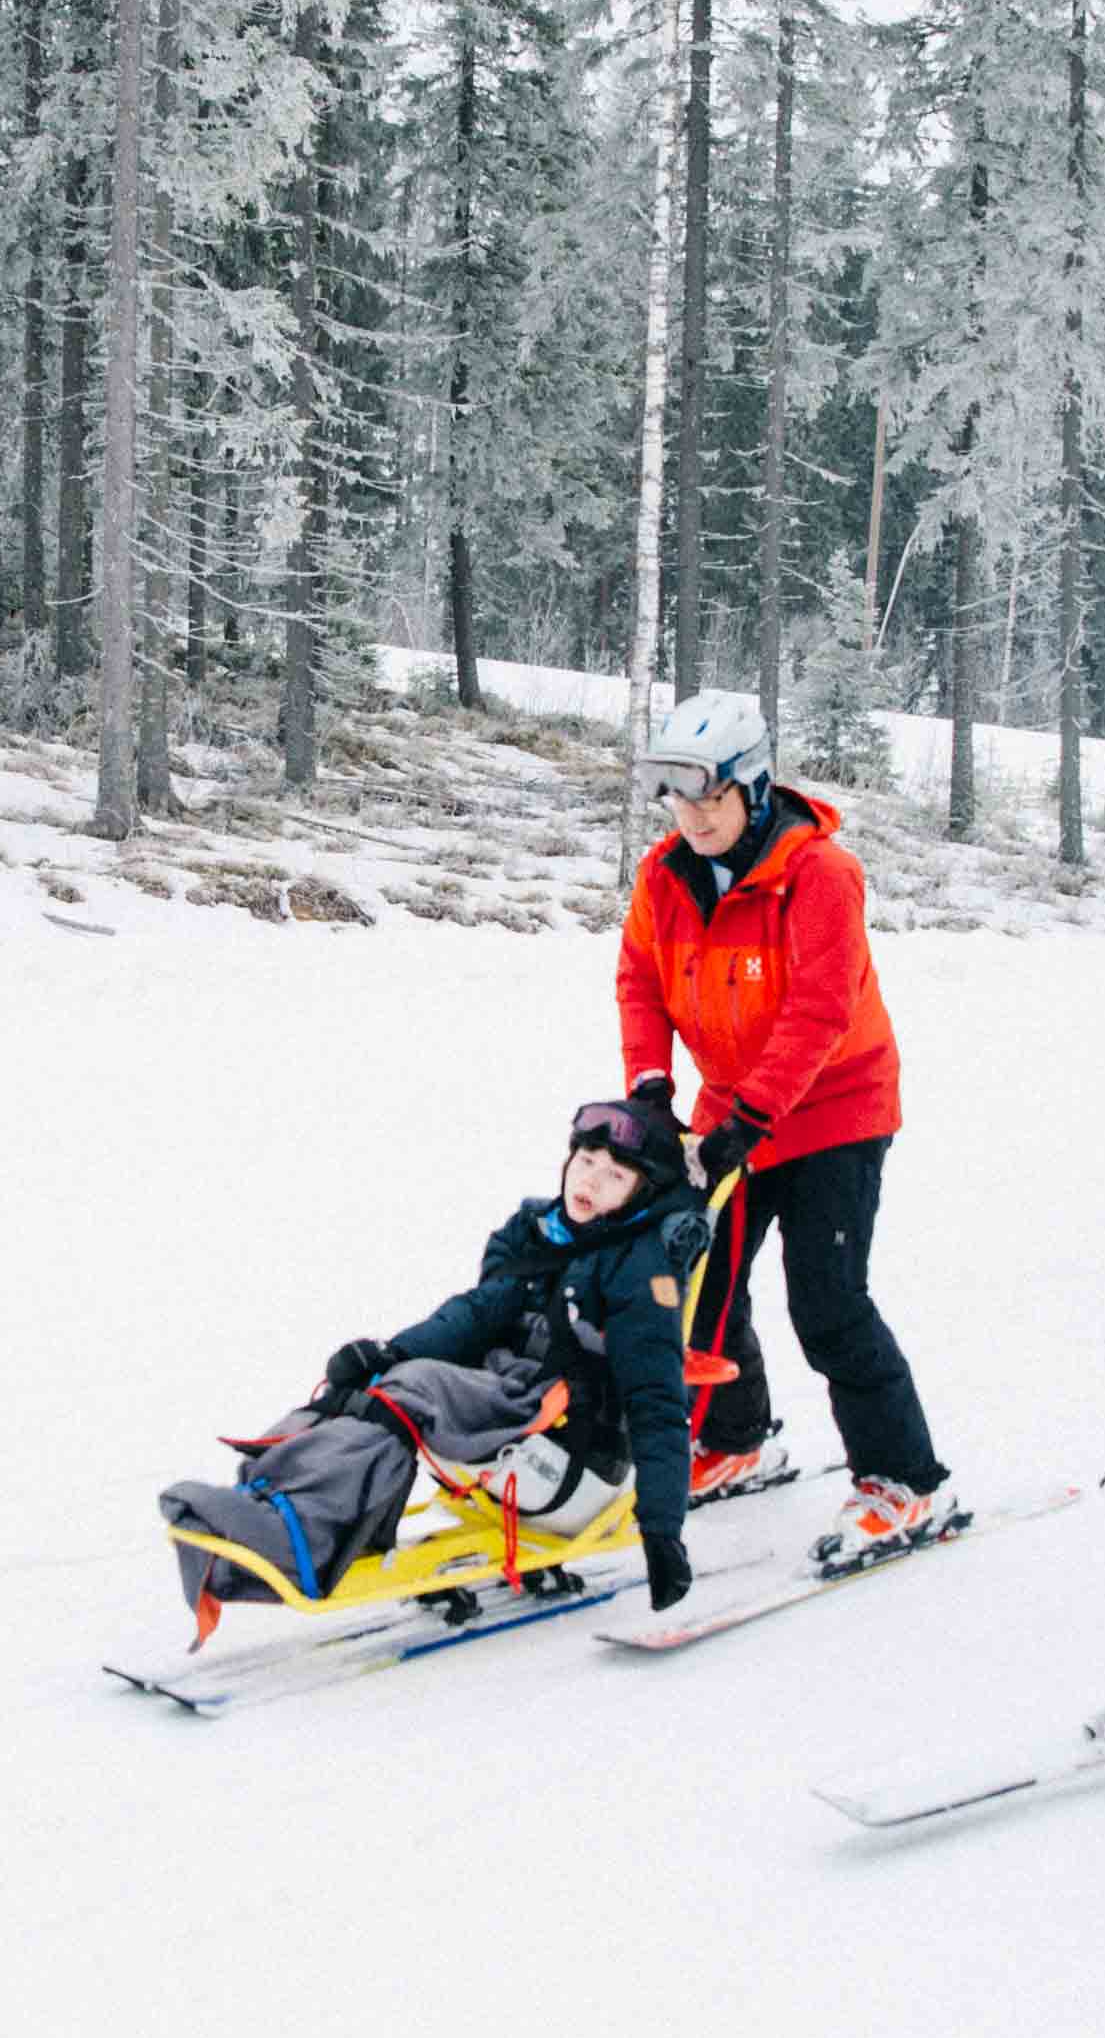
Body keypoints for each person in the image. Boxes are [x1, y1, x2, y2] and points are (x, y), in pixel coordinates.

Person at [612, 689, 962, 1566]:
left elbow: (819, 1009)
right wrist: (652, 1086)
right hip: (730, 1108)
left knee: (828, 1302)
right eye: (678, 797)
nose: (691, 816)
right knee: (698, 1280)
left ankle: (907, 1480)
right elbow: (640, 983)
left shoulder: (821, 876)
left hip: (836, 1109)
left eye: (710, 797)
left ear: (754, 787)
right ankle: (737, 1437)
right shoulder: (663, 876)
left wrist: (752, 1118)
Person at [186, 1091, 716, 1618]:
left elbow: (657, 1401)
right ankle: (266, 1497)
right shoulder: (540, 1232)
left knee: (414, 1390)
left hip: (573, 1458)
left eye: (615, 1177)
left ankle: (297, 1538)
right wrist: (386, 1352)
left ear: (642, 1193)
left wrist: (663, 1530)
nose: (590, 1182)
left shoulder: (641, 1271)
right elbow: (474, 1314)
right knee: (370, 1389)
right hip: (515, 1419)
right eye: (586, 1161)